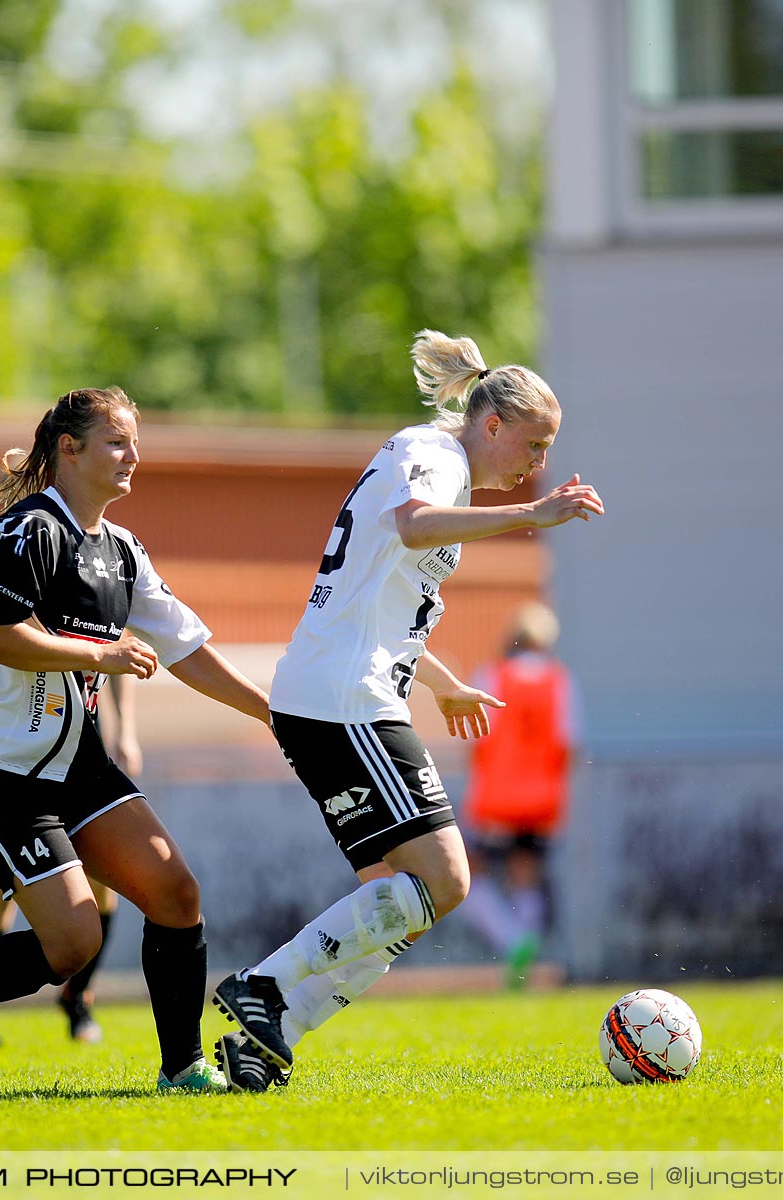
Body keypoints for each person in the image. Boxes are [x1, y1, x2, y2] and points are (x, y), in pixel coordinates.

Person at [210, 330, 603, 1092]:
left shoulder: (437, 458)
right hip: (345, 701)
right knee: (448, 880)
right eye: (534, 444)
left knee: (399, 901)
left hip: (330, 694)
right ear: (491, 426)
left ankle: (270, 1038)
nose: (539, 464)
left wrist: (443, 680)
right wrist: (536, 513)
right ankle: (263, 988)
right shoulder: (437, 456)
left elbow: (380, 599)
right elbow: (413, 526)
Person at [0, 387, 271, 1094]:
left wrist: (272, 714)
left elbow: (187, 648)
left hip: (79, 768)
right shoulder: (29, 530)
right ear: (71, 448)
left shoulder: (123, 549)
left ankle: (182, 1069)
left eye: (135, 442)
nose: (134, 455)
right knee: (72, 945)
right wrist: (100, 655)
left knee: (176, 895)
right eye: (118, 441)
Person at [0, 554, 136, 1045]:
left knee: (102, 890)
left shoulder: (95, 559)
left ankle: (78, 1001)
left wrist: (126, 732)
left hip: (81, 758)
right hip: (9, 758)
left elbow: (119, 653)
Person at [456, 601, 582, 986]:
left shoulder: (492, 676)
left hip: (496, 799)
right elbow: (571, 743)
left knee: (468, 878)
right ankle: (525, 957)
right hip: (542, 801)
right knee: (526, 877)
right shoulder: (561, 682)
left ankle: (514, 942)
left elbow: (474, 737)